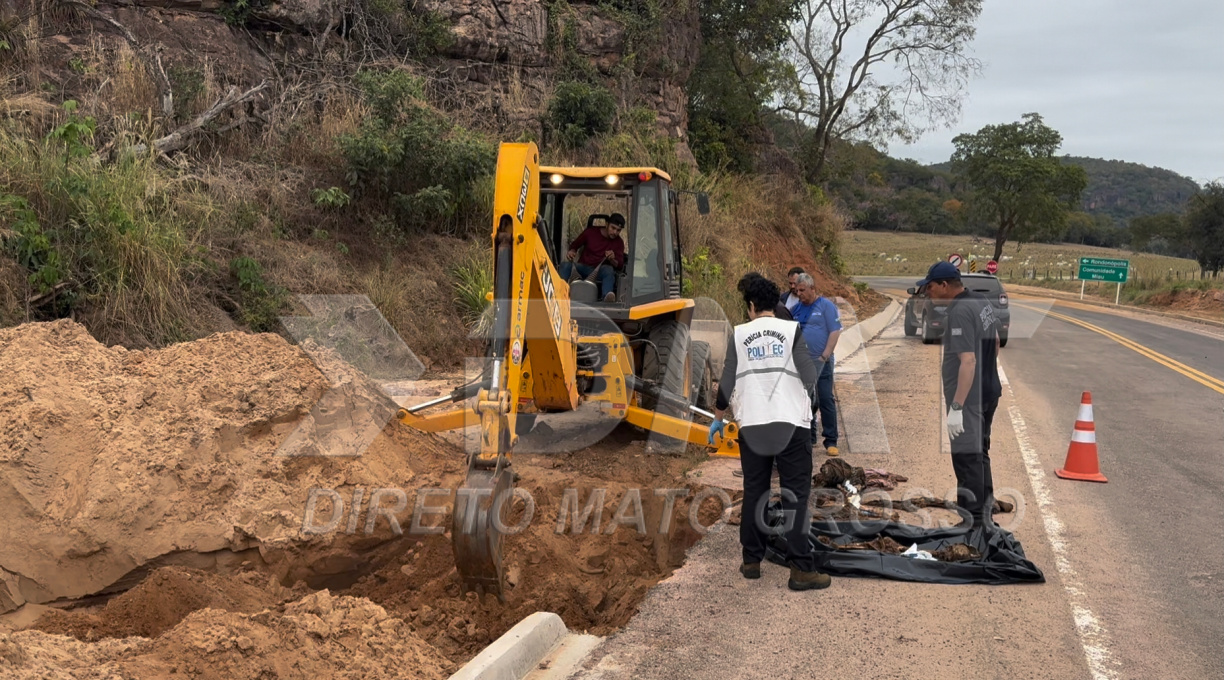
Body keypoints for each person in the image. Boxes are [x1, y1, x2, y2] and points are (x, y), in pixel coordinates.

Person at [709, 274, 829, 591]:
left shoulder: (739, 334)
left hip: (754, 426)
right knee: (795, 496)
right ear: (774, 304)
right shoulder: (791, 330)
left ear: (750, 305)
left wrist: (718, 418)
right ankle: (801, 570)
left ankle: (751, 562)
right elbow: (808, 375)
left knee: (756, 492)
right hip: (791, 424)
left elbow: (726, 383)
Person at [916, 260, 1000, 530]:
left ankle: (973, 524)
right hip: (989, 391)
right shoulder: (980, 301)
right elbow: (996, 341)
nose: (927, 292)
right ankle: (985, 512)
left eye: (930, 286)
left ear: (943, 285)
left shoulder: (960, 312)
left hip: (970, 399)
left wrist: (957, 406)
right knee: (980, 452)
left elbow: (968, 361)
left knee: (967, 458)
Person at [789, 273, 842, 456]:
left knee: (825, 398)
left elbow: (835, 331)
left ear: (813, 289)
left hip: (821, 361)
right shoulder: (796, 309)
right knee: (806, 399)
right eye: (797, 291)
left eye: (802, 290)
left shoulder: (826, 307)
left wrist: (825, 355)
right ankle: (809, 437)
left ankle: (831, 440)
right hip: (802, 362)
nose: (799, 294)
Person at [559, 213, 625, 302]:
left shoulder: (619, 242)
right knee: (565, 266)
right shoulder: (590, 232)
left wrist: (612, 259)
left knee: (609, 270)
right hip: (582, 267)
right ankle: (558, 294)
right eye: (613, 228)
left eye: (618, 230)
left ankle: (607, 298)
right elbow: (575, 245)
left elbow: (620, 265)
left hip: (600, 271)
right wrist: (572, 251)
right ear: (606, 224)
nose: (615, 232)